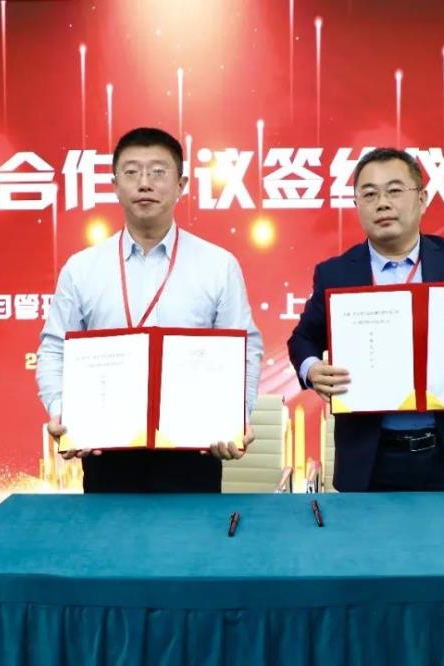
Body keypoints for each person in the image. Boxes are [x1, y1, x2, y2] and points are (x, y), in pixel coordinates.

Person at [287, 147, 444, 492]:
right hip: (372, 460)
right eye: (369, 194)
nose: (382, 203)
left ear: (422, 199)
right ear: (356, 205)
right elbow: (302, 339)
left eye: (395, 190)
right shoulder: (336, 273)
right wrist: (312, 370)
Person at [37, 127, 263, 493]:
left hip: (195, 450)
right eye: (131, 172)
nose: (144, 183)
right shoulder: (82, 268)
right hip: (105, 449)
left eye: (158, 171)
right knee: (109, 531)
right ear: (115, 185)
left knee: (192, 532)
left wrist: (236, 417)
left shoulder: (218, 265)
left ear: (181, 184)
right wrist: (63, 411)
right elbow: (53, 349)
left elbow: (244, 349)